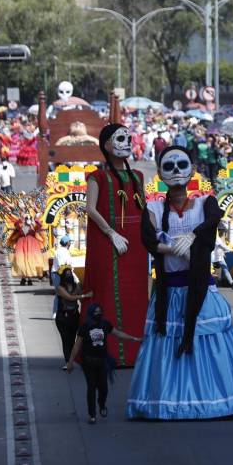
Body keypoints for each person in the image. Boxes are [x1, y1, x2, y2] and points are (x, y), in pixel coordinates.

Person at [128, 146, 233, 420]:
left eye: (181, 164)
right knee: (167, 341)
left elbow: (214, 221)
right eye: (169, 166)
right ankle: (171, 400)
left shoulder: (205, 203)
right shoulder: (152, 207)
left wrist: (193, 237)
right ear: (161, 173)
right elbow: (149, 240)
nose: (176, 171)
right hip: (170, 290)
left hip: (200, 288)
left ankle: (211, 399)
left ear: (191, 169)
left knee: (206, 340)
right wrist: (179, 248)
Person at [84, 123, 148, 366]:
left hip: (137, 246)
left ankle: (135, 353)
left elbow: (143, 208)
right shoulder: (97, 176)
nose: (128, 142)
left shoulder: (138, 176)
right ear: (107, 145)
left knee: (137, 296)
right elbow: (90, 209)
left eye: (129, 137)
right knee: (109, 294)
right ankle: (109, 352)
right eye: (121, 138)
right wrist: (111, 233)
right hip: (109, 242)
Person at [68, 303, 141, 424]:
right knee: (91, 387)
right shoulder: (84, 327)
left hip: (102, 361)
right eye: (95, 312)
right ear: (91, 313)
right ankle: (92, 415)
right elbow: (77, 345)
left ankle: (101, 404)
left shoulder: (105, 324)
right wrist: (70, 361)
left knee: (103, 388)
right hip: (88, 361)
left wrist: (134, 339)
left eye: (99, 312)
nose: (98, 314)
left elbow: (118, 334)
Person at [54, 264, 89, 371]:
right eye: (67, 274)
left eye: (70, 274)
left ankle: (72, 360)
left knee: (74, 339)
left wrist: (85, 294)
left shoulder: (76, 286)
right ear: (63, 276)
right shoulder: (60, 288)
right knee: (66, 340)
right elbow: (70, 297)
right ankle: (68, 362)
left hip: (74, 316)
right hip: (62, 318)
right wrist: (85, 296)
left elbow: (80, 297)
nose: (69, 275)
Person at [9, 211, 46, 287]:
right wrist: (21, 218)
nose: (28, 219)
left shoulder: (34, 227)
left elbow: (39, 225)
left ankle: (28, 279)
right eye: (27, 218)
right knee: (21, 262)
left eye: (29, 218)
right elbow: (16, 224)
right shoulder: (20, 227)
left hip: (31, 247)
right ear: (24, 220)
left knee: (30, 262)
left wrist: (35, 219)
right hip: (21, 246)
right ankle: (23, 278)